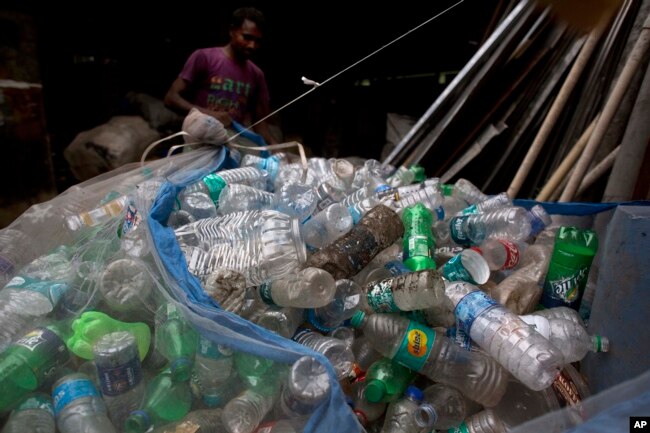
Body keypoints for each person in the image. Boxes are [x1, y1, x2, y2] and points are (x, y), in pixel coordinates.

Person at [164, 7, 278, 146]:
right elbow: (171, 98)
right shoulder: (205, 57)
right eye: (247, 37)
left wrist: (275, 147)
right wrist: (210, 114)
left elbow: (260, 124)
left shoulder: (256, 74)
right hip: (199, 142)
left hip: (232, 145)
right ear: (232, 31)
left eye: (257, 41)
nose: (252, 45)